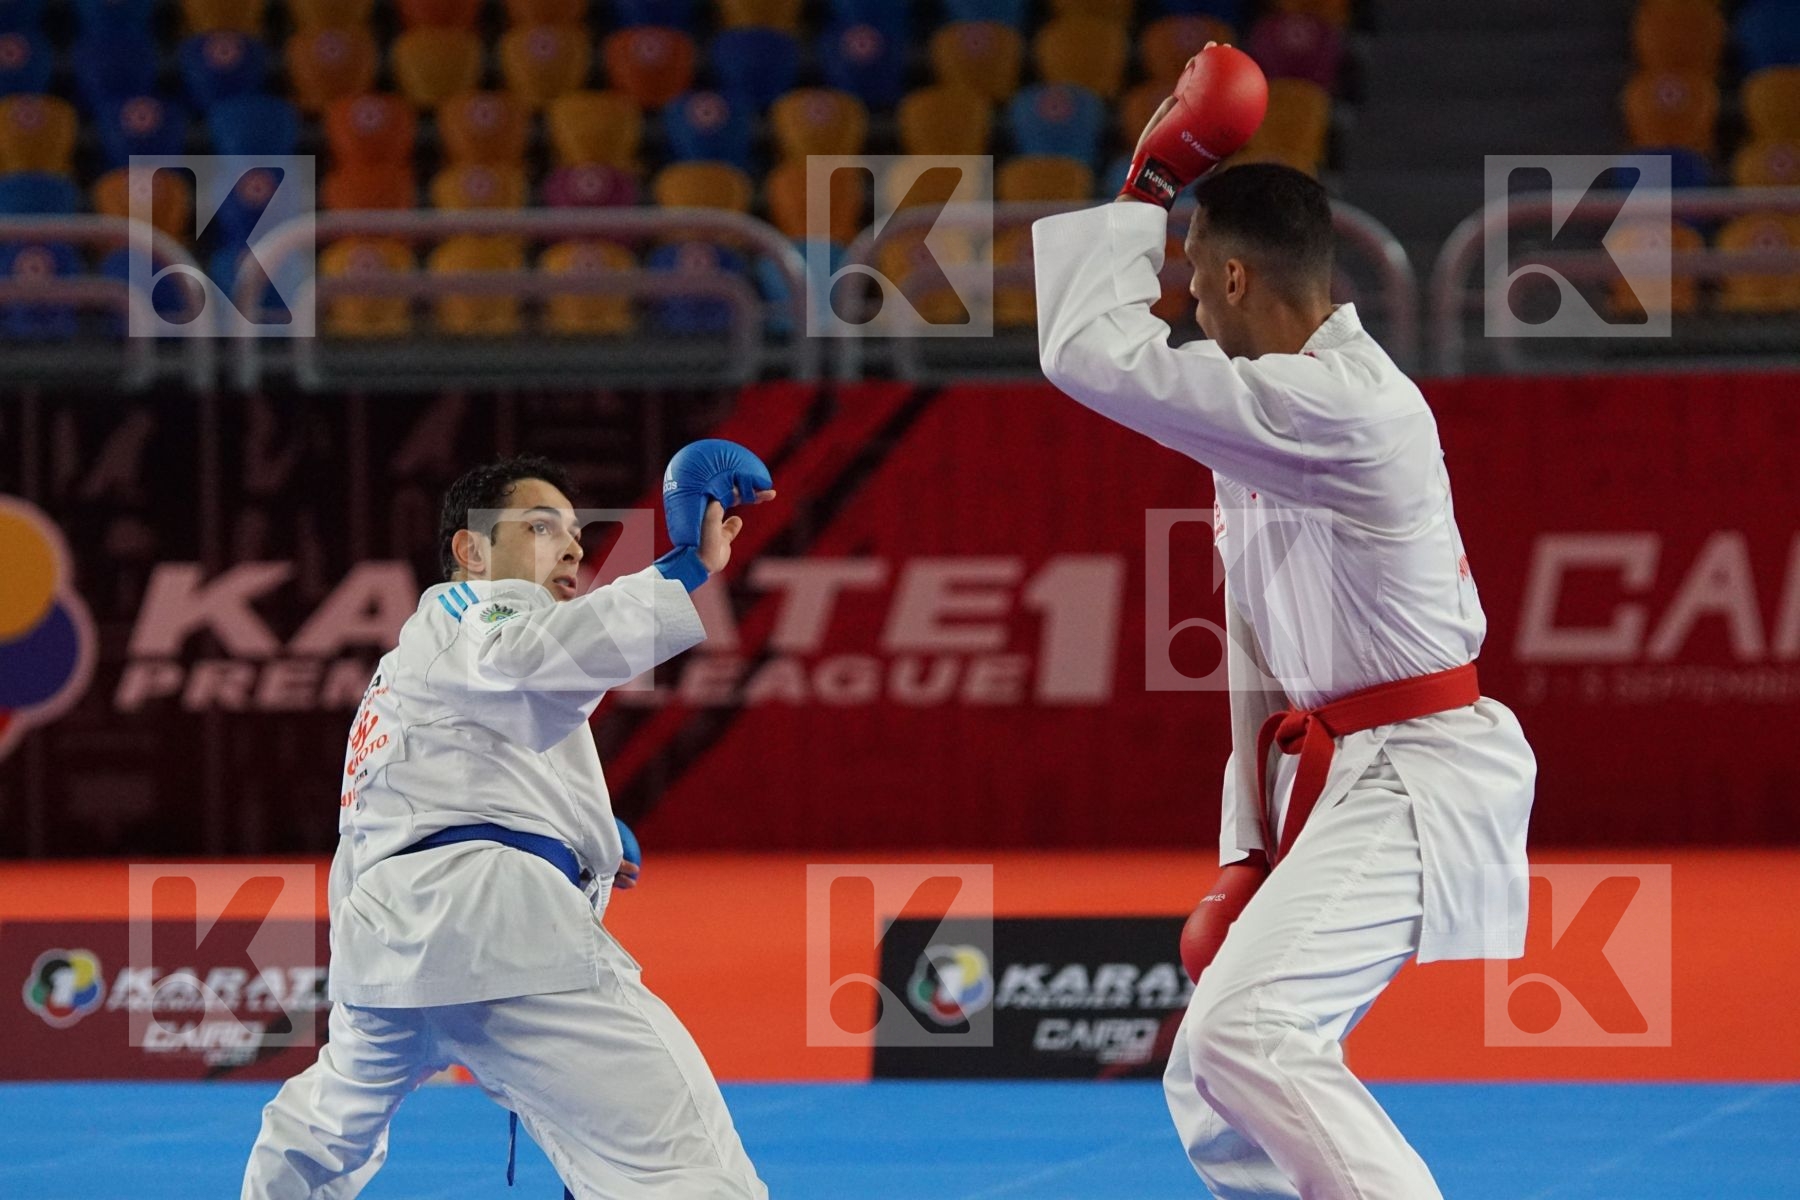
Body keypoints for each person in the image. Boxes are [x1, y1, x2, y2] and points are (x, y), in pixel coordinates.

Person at [1033, 95, 1536, 1198]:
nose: (1178, 299)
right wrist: (1247, 848)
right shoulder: (1266, 416)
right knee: (1211, 1071)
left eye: (1187, 275)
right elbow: (1258, 659)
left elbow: (1085, 356)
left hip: (1419, 776)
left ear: (1227, 280)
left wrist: (1146, 192)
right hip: (1347, 771)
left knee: (1247, 1036)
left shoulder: (1342, 410)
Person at [241, 453, 773, 1199]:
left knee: (319, 1136)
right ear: (473, 551)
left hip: (389, 961)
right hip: (488, 929)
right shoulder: (477, 609)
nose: (573, 547)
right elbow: (529, 663)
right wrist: (679, 570)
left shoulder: (414, 667)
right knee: (682, 1163)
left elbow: (438, 786)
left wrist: (584, 839)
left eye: (577, 534)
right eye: (540, 526)